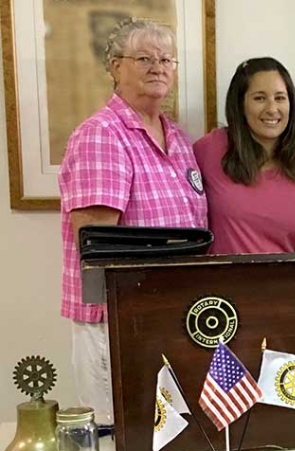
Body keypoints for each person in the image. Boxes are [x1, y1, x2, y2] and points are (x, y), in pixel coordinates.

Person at [58, 18, 208, 425]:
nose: (157, 67)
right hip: (119, 323)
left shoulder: (176, 137)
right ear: (114, 66)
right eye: (143, 58)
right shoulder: (102, 135)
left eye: (166, 59)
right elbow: (99, 247)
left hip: (168, 317)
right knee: (125, 441)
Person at [193, 57, 295, 254]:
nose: (272, 109)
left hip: (288, 283)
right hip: (221, 284)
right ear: (240, 105)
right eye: (260, 98)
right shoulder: (210, 149)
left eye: (280, 98)